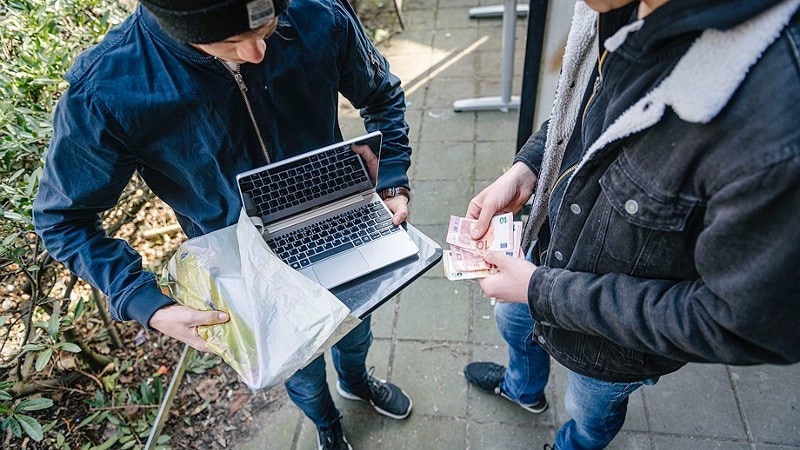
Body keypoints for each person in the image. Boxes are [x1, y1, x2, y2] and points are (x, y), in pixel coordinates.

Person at [33, 0, 415, 448]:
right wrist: (145, 302)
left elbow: (381, 95)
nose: (257, 54)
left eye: (270, 29)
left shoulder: (319, 13)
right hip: (244, 268)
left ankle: (356, 381)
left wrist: (391, 181)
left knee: (355, 329)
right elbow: (63, 219)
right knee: (300, 365)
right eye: (232, 41)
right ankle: (325, 421)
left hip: (341, 224)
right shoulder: (108, 89)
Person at [462, 0, 800, 448]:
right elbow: (586, 113)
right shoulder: (616, 8)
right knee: (513, 324)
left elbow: (739, 324)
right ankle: (523, 389)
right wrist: (527, 168)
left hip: (611, 351)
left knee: (589, 412)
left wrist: (540, 289)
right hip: (540, 257)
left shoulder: (777, 130)